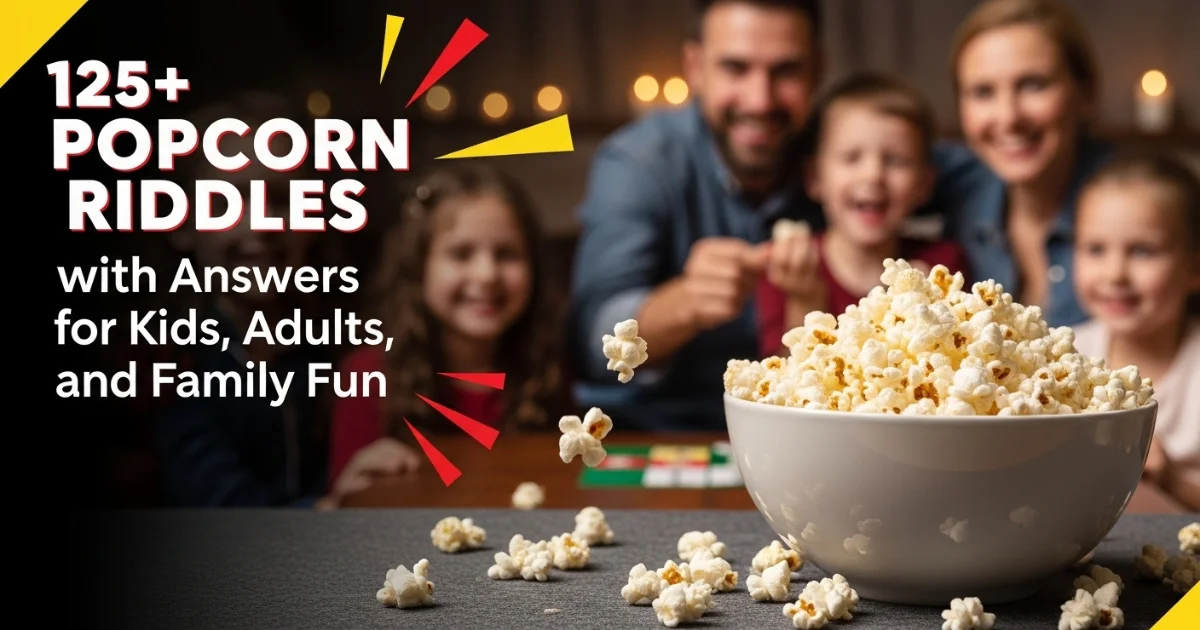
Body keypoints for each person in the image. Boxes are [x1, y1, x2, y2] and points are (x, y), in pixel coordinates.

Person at [569, 0, 824, 430]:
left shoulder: (849, 152)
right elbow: (595, 345)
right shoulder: (638, 161)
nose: (760, 100)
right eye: (736, 68)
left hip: (802, 438)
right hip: (652, 430)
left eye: (786, 71)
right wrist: (686, 301)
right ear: (695, 67)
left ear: (818, 69)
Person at [325, 167, 568, 506]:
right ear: (417, 266)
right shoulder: (369, 375)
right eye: (461, 254)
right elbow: (340, 507)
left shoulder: (547, 369)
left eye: (507, 254)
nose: (486, 274)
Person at [155, 92, 332, 507]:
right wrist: (337, 508)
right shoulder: (168, 361)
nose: (263, 223)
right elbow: (225, 517)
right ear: (181, 226)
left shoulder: (342, 348)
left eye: (283, 199)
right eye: (226, 203)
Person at [757, 72, 970, 357]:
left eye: (896, 160)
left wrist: (929, 304)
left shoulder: (943, 266)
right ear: (815, 178)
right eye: (851, 157)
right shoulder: (785, 270)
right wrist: (804, 299)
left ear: (924, 184)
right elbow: (778, 386)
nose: (872, 175)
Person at [934, 0, 1108, 327]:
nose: (1008, 117)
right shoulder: (957, 182)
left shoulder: (1143, 200)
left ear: (1086, 93)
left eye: (1033, 84)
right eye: (983, 92)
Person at [1070, 151, 1200, 511]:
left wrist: (1170, 478)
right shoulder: (1063, 356)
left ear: (1194, 266)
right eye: (1095, 249)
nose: (1115, 274)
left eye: (1143, 251)